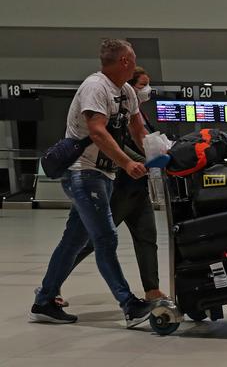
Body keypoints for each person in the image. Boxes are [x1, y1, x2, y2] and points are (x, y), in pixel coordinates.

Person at [29, 39, 152, 328]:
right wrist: (127, 163)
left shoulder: (125, 92)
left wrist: (161, 155)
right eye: (132, 59)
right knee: (106, 238)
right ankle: (129, 304)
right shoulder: (95, 87)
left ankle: (45, 300)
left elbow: (138, 130)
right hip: (83, 173)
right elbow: (97, 132)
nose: (134, 64)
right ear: (124, 61)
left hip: (103, 176)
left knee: (73, 241)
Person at [65, 66, 167, 302]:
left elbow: (144, 139)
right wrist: (144, 162)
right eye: (142, 85)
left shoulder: (137, 113)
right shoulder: (112, 112)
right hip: (119, 188)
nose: (147, 90)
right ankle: (53, 286)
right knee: (92, 241)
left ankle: (152, 290)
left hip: (138, 189)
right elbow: (119, 146)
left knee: (147, 238)